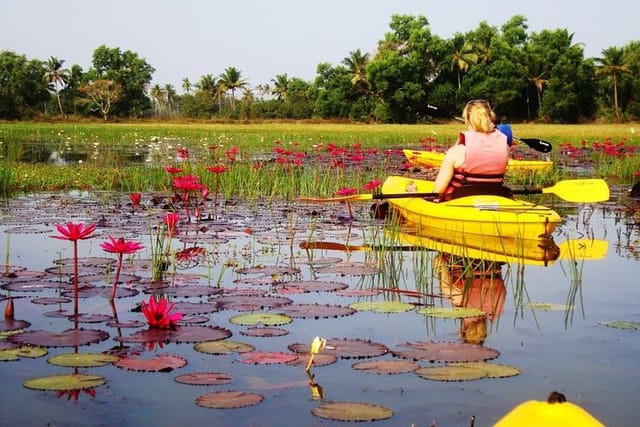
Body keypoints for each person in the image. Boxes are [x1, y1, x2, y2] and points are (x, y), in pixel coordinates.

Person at [433, 100, 511, 201]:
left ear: (466, 120)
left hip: (460, 202)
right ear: (490, 117)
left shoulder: (457, 151)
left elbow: (439, 189)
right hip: (495, 199)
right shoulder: (504, 147)